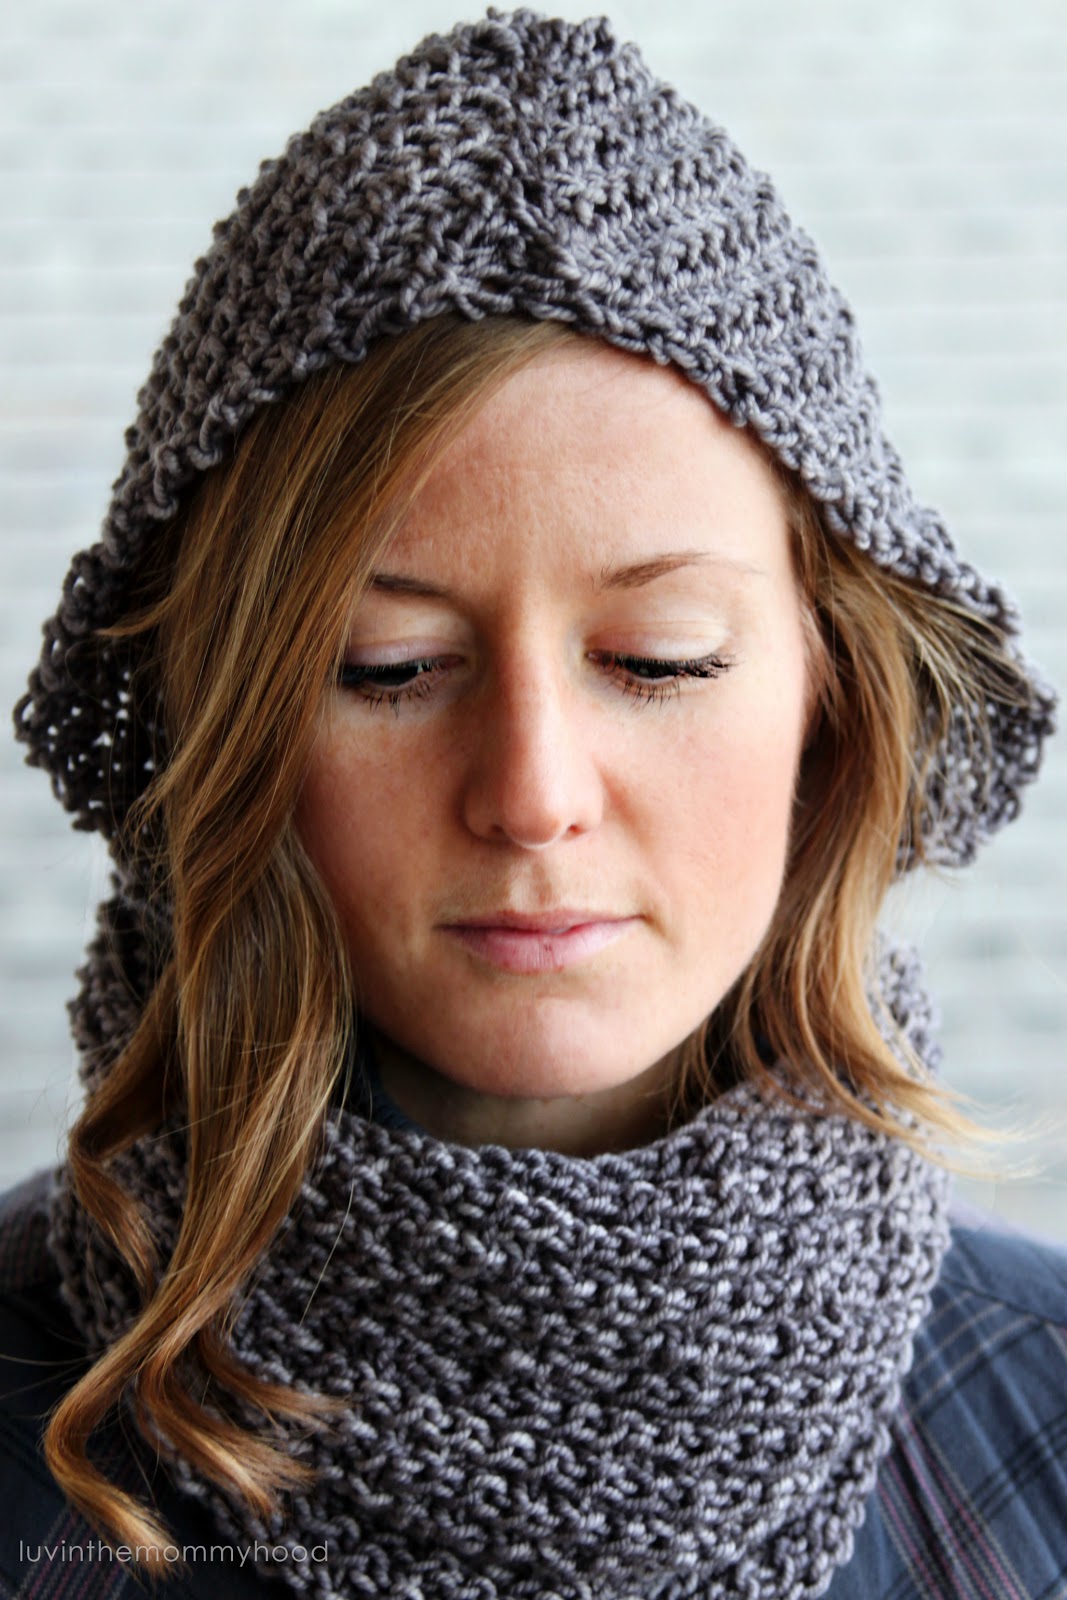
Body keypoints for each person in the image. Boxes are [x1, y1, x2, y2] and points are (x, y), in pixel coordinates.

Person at [1, 10, 1065, 1598]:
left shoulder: (1043, 1416)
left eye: (659, 658)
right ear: (220, 723)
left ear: (836, 700)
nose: (534, 797)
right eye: (390, 668)